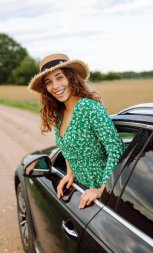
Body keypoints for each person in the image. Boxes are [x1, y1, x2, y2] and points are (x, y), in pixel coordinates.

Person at [28, 53, 125, 209]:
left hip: (106, 196)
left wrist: (102, 189)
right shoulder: (60, 115)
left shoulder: (89, 108)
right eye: (49, 82)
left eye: (59, 77)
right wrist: (70, 174)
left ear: (71, 78)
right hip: (82, 189)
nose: (55, 86)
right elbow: (68, 149)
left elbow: (116, 148)